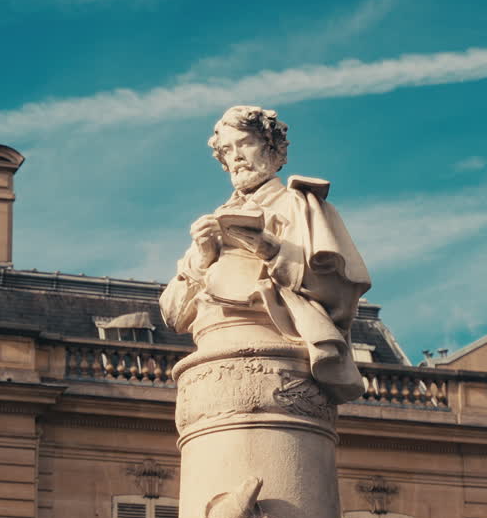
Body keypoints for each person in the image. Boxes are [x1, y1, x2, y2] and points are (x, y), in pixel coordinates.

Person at [159, 105, 371, 403]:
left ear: (272, 150)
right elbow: (173, 314)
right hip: (212, 364)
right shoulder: (214, 223)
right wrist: (204, 258)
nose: (236, 157)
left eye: (245, 143)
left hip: (280, 363)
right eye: (227, 150)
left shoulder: (302, 206)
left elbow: (339, 296)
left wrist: (270, 250)